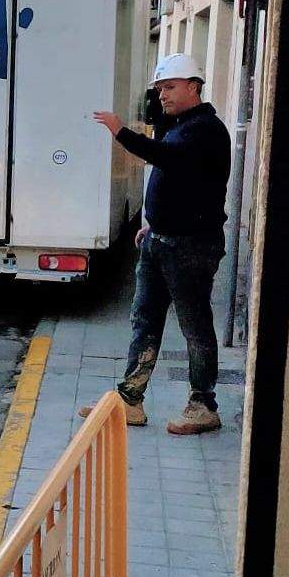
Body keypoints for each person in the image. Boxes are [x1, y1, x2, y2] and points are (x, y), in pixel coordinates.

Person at [85, 53, 232, 434]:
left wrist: (121, 131)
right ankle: (130, 399)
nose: (163, 95)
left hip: (191, 247)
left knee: (195, 325)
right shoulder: (180, 125)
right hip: (160, 241)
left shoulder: (206, 130)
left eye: (169, 87)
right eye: (160, 89)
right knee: (145, 319)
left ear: (193, 87)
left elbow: (165, 157)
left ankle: (203, 405)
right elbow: (177, 178)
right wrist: (153, 223)